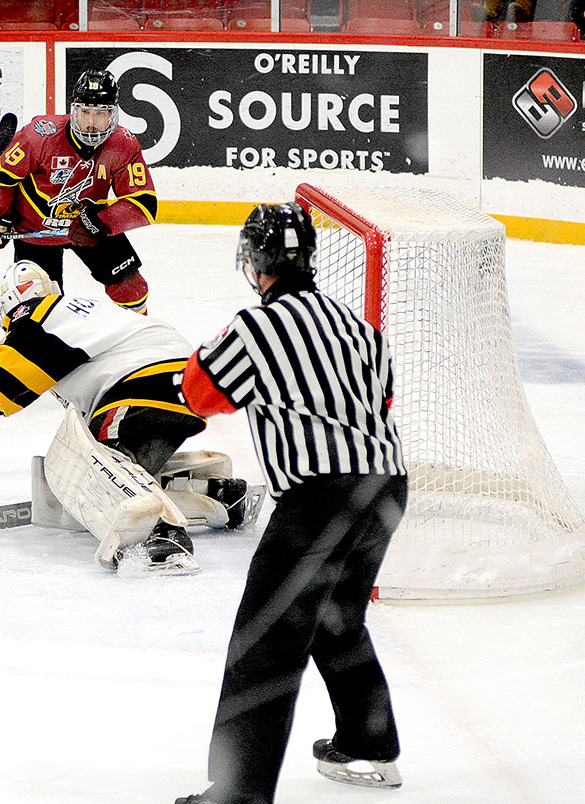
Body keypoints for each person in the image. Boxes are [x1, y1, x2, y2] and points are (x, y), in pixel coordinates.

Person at [175, 203, 409, 803]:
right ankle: (367, 743)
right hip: (386, 486)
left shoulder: (255, 327)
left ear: (255, 263)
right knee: (337, 617)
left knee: (267, 639)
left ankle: (238, 792)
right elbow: (380, 404)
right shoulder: (360, 328)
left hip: (319, 498)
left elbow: (200, 396)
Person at [0, 260, 253, 575]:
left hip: (141, 382)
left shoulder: (40, 315)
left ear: (10, 305)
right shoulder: (83, 313)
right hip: (183, 383)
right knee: (118, 461)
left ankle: (159, 532)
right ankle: (217, 494)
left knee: (82, 463)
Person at [0, 69, 157, 315]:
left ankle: (139, 332)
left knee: (130, 287)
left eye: (100, 113)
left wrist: (100, 223)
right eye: (85, 112)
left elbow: (144, 204)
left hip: (91, 227)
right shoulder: (40, 136)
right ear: (74, 111)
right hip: (35, 229)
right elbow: (1, 174)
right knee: (37, 306)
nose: (91, 122)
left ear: (112, 114)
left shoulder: (123, 144)